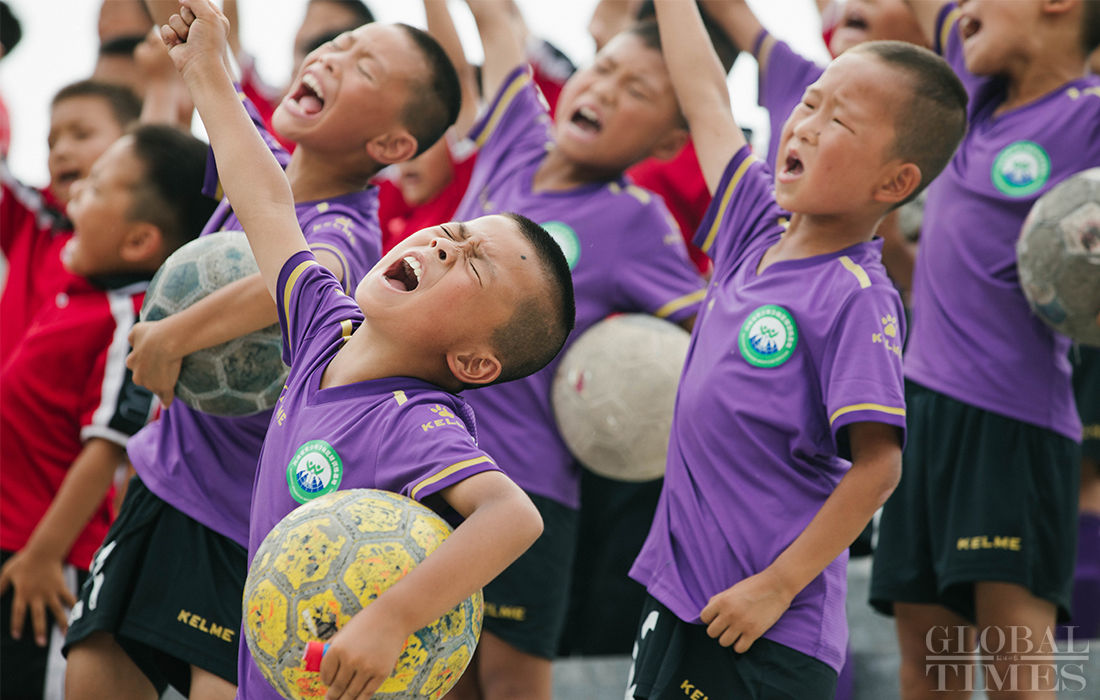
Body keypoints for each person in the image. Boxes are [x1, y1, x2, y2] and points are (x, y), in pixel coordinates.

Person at [150, 4, 575, 699]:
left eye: (474, 264)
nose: (445, 245)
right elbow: (267, 203)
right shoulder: (323, 329)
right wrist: (205, 70)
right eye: (455, 232)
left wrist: (393, 618)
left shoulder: (414, 420)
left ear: (474, 363)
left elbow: (513, 517)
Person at [62, 2, 465, 699]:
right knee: (91, 679)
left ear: (393, 144)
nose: (332, 56)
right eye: (340, 43)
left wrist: (174, 335)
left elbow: (305, 274)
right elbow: (191, 38)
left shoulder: (348, 229)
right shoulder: (258, 166)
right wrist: (194, 31)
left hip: (240, 526)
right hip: (161, 487)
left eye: (365, 66)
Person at [628, 2, 968, 699]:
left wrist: (776, 586)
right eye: (810, 103)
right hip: (680, 594)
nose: (806, 124)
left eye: (839, 121)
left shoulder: (856, 296)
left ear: (895, 183)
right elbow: (705, 97)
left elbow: (879, 466)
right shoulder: (751, 227)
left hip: (763, 628)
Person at [448, 4, 706, 699]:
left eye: (637, 90)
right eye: (605, 69)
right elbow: (495, 21)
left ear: (670, 140)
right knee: (432, 675)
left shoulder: (636, 220)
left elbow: (712, 329)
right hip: (423, 457)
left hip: (523, 488)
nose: (605, 90)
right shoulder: (514, 139)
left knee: (509, 683)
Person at [869, 2, 1100, 698]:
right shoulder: (972, 90)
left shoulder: (1090, 113)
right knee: (927, 669)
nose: (960, 9)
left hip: (1014, 420)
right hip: (919, 411)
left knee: (1014, 676)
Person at [0, 124, 217, 700]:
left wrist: (43, 556)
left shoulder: (131, 319)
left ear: (140, 241)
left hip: (40, 560)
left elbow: (108, 448)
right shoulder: (77, 296)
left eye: (95, 188)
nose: (74, 195)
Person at [1, 81, 142, 363]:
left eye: (82, 135)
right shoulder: (33, 217)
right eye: (51, 143)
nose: (61, 151)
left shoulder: (141, 236)